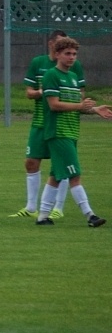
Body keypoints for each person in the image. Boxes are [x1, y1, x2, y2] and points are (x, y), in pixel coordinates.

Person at [34, 35, 111, 228]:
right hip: (58, 132)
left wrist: (94, 109)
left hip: (71, 131)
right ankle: (90, 215)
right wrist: (80, 106)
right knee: (74, 174)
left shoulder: (73, 77)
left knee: (56, 175)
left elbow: (75, 106)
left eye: (74, 54)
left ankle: (42, 216)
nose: (72, 57)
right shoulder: (51, 75)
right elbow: (54, 105)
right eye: (67, 53)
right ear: (57, 54)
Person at [14, 30, 76, 218]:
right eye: (61, 44)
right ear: (51, 45)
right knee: (31, 162)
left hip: (61, 124)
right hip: (40, 122)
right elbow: (29, 92)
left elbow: (79, 94)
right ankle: (31, 207)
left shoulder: (73, 66)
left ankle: (58, 208)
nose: (68, 53)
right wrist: (44, 92)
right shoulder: (38, 63)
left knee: (61, 165)